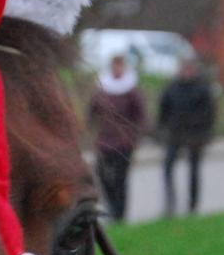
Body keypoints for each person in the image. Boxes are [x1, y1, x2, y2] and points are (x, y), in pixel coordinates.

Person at [88, 52, 147, 222]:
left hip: (124, 142)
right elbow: (92, 111)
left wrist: (134, 136)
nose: (117, 69)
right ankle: (112, 206)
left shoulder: (131, 91)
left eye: (120, 65)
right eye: (115, 65)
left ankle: (120, 214)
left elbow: (140, 116)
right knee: (102, 174)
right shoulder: (102, 89)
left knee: (121, 179)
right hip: (104, 141)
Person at [157, 54, 216, 215]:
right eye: (184, 68)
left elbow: (209, 113)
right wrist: (161, 129)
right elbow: (164, 109)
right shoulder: (172, 87)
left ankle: (193, 206)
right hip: (175, 133)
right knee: (167, 167)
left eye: (189, 69)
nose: (186, 72)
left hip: (195, 135)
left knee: (194, 170)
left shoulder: (202, 88)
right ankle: (170, 204)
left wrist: (205, 133)